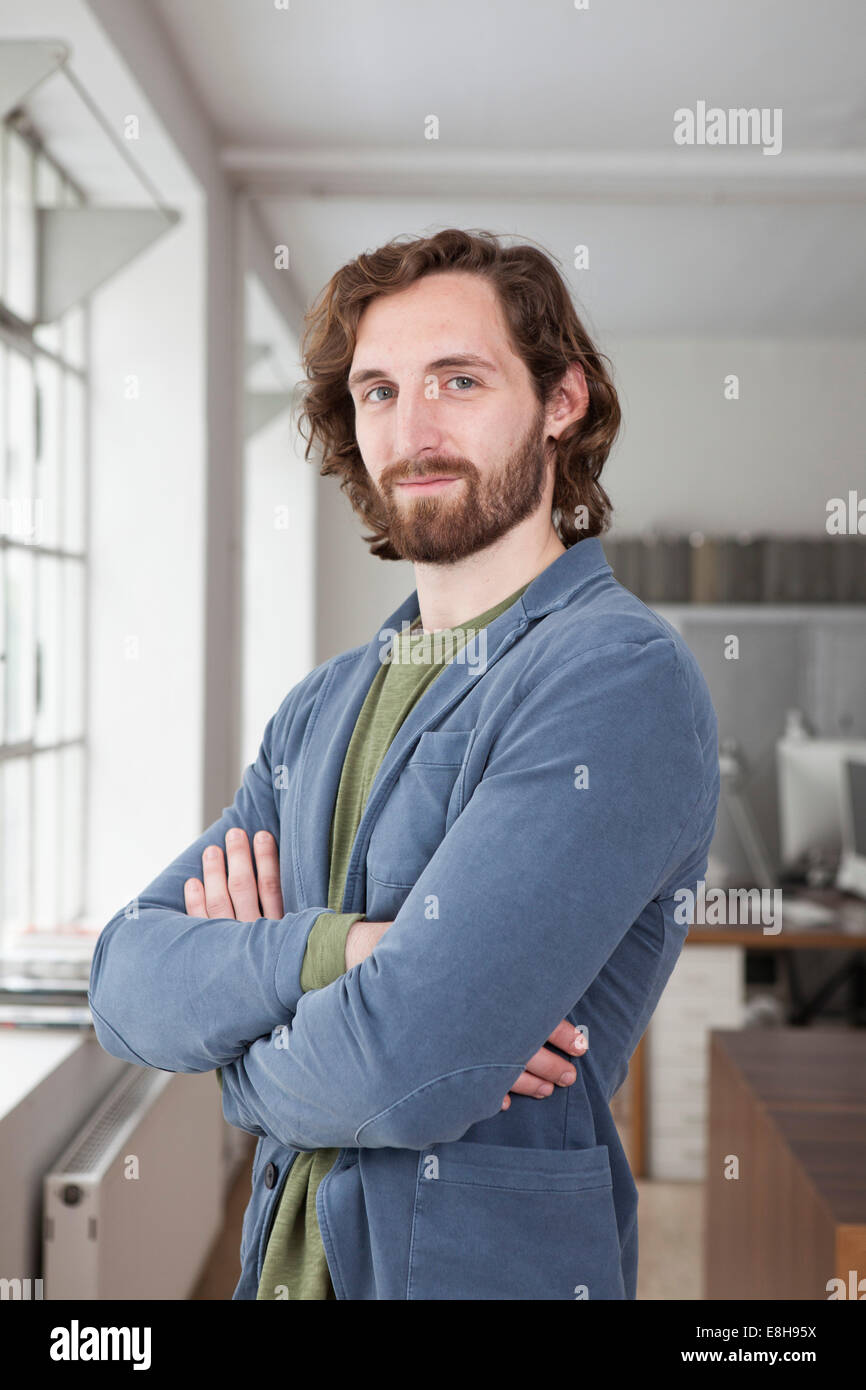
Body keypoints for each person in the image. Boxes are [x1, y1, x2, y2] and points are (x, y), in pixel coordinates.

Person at [89, 228, 720, 1300]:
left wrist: (236, 1053)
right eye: (376, 392)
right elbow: (126, 983)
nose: (411, 430)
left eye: (457, 381)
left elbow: (406, 1066)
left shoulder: (614, 676)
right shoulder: (322, 705)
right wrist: (340, 952)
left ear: (560, 399)